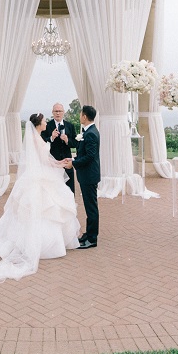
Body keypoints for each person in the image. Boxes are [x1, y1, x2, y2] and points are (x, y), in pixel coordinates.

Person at [0, 113, 80, 284]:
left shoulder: (37, 137)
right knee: (45, 207)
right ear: (39, 124)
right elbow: (44, 161)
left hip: (39, 175)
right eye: (45, 121)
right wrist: (58, 163)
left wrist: (59, 162)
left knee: (46, 207)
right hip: (39, 178)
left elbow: (46, 159)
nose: (47, 122)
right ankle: (44, 245)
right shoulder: (37, 139)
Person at [65, 105, 100, 249]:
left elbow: (90, 156)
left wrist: (73, 163)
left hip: (89, 175)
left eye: (80, 114)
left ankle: (92, 239)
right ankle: (88, 234)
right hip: (86, 175)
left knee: (91, 208)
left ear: (85, 117)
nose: (80, 116)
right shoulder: (88, 131)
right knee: (88, 206)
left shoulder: (91, 133)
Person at [40, 102, 76, 192]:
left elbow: (75, 143)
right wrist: (51, 138)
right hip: (52, 164)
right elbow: (42, 142)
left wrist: (67, 140)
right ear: (52, 112)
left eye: (60, 111)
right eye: (56, 111)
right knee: (54, 191)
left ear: (63, 112)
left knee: (69, 190)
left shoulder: (70, 126)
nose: (58, 113)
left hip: (67, 163)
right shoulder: (47, 126)